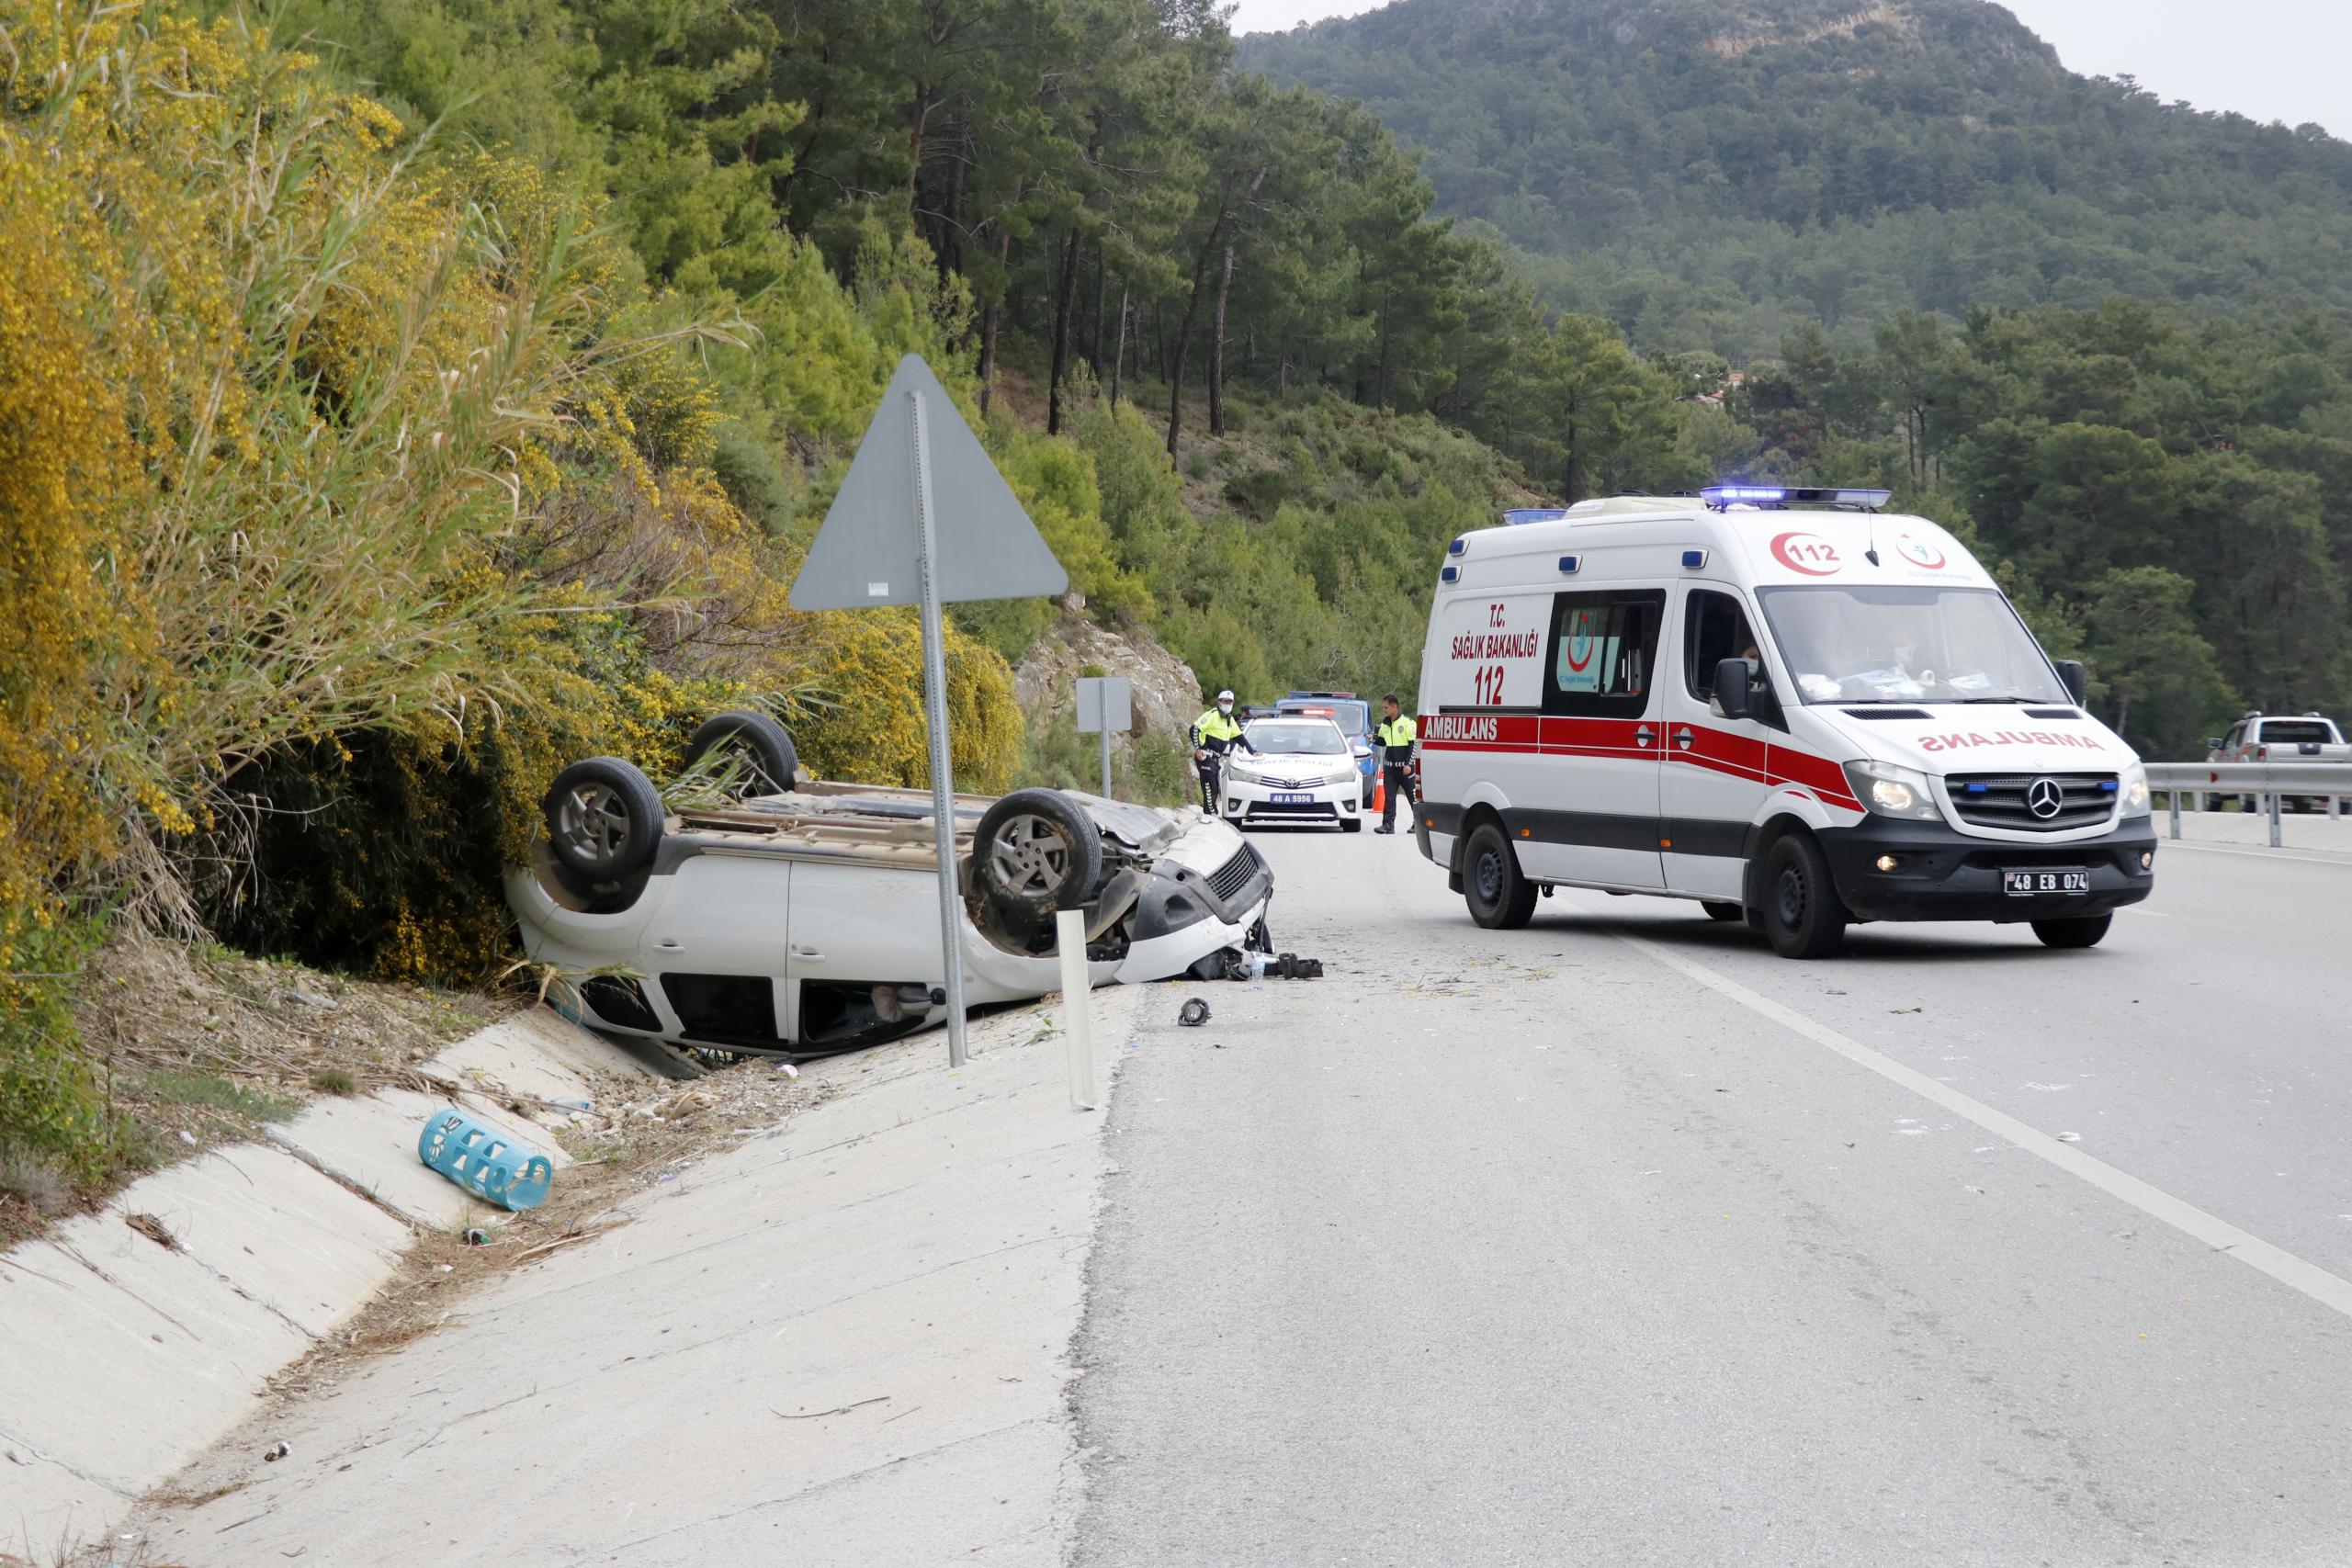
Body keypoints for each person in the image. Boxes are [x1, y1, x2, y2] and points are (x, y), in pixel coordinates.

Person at [1190, 690, 1243, 812]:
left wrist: (1252, 751)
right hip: (1204, 756)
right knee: (1210, 786)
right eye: (1225, 701)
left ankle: (1210, 812)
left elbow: (1239, 737)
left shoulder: (1229, 720)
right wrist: (1198, 749)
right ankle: (1208, 813)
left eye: (1230, 702)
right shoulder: (1213, 715)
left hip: (1214, 759)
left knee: (1214, 787)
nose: (1228, 704)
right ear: (1219, 702)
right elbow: (1194, 729)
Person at [1373, 694, 1417, 834]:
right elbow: (1382, 741)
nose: (1384, 710)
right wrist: (1373, 739)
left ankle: (1419, 824)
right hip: (1390, 768)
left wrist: (1408, 764)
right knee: (1389, 797)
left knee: (1412, 797)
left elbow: (1413, 745)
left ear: (1394, 707)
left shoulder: (1408, 723)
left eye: (1386, 707)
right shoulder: (1385, 723)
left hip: (1405, 768)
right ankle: (1388, 825)